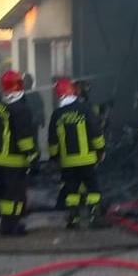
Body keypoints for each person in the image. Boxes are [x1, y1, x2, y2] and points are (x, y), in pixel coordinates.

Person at [48, 77, 105, 229]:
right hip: (87, 160)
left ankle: (73, 219)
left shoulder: (57, 115)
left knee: (71, 191)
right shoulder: (85, 109)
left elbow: (52, 141)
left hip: (67, 162)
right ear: (73, 91)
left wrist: (55, 158)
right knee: (92, 188)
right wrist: (100, 150)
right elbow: (96, 132)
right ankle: (95, 218)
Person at [0, 70, 37, 236]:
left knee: (6, 192)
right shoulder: (20, 109)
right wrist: (33, 156)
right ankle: (11, 227)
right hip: (14, 159)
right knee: (15, 194)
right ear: (19, 86)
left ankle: (6, 224)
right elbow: (24, 138)